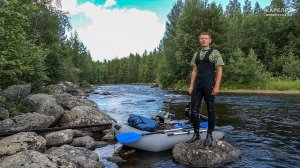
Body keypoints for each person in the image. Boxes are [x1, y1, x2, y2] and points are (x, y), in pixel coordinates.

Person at [188, 32, 224, 147]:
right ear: (199, 40)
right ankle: (196, 134)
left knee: (210, 109)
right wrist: (191, 86)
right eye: (202, 38)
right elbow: (194, 70)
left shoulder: (215, 53)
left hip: (209, 83)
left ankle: (209, 136)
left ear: (210, 40)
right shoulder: (196, 54)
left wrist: (217, 86)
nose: (204, 40)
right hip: (197, 85)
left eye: (206, 38)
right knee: (193, 110)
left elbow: (219, 69)